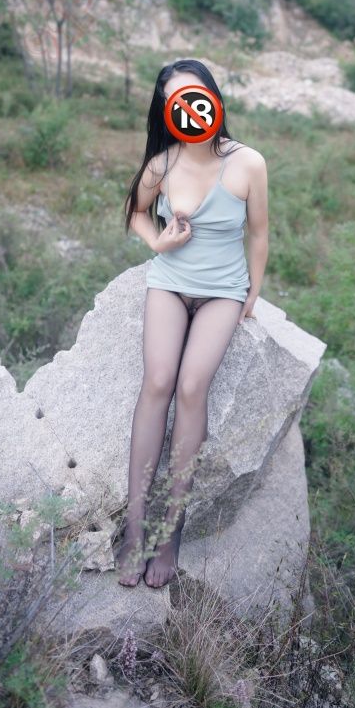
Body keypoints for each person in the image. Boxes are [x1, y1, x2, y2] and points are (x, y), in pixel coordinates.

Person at [117, 59, 268, 588]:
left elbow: (260, 233)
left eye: (195, 94)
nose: (187, 107)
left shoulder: (247, 162)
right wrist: (157, 242)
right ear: (167, 110)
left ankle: (169, 530)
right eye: (174, 99)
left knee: (190, 387)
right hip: (170, 283)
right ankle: (135, 527)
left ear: (213, 98)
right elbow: (136, 212)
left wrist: (253, 291)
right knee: (157, 382)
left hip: (222, 293)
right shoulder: (162, 163)